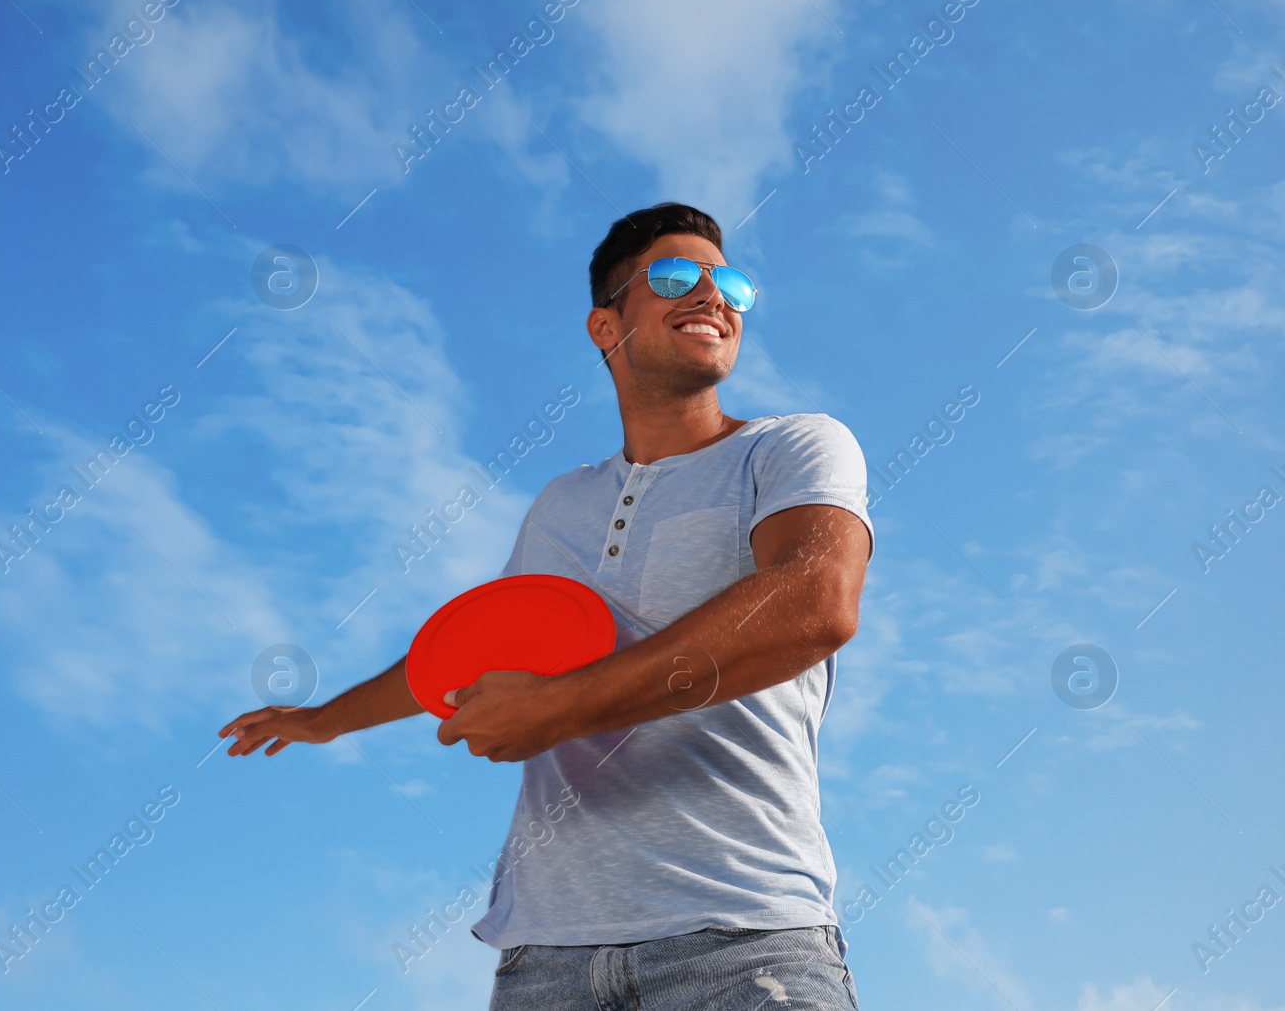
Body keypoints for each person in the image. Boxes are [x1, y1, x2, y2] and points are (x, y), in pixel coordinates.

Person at [220, 202, 875, 1010]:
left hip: (742, 937)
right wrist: (326, 720)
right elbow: (468, 654)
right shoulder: (562, 502)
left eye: (730, 283)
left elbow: (814, 603)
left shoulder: (794, 446)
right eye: (675, 277)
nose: (713, 296)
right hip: (548, 961)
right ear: (607, 327)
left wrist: (563, 704)